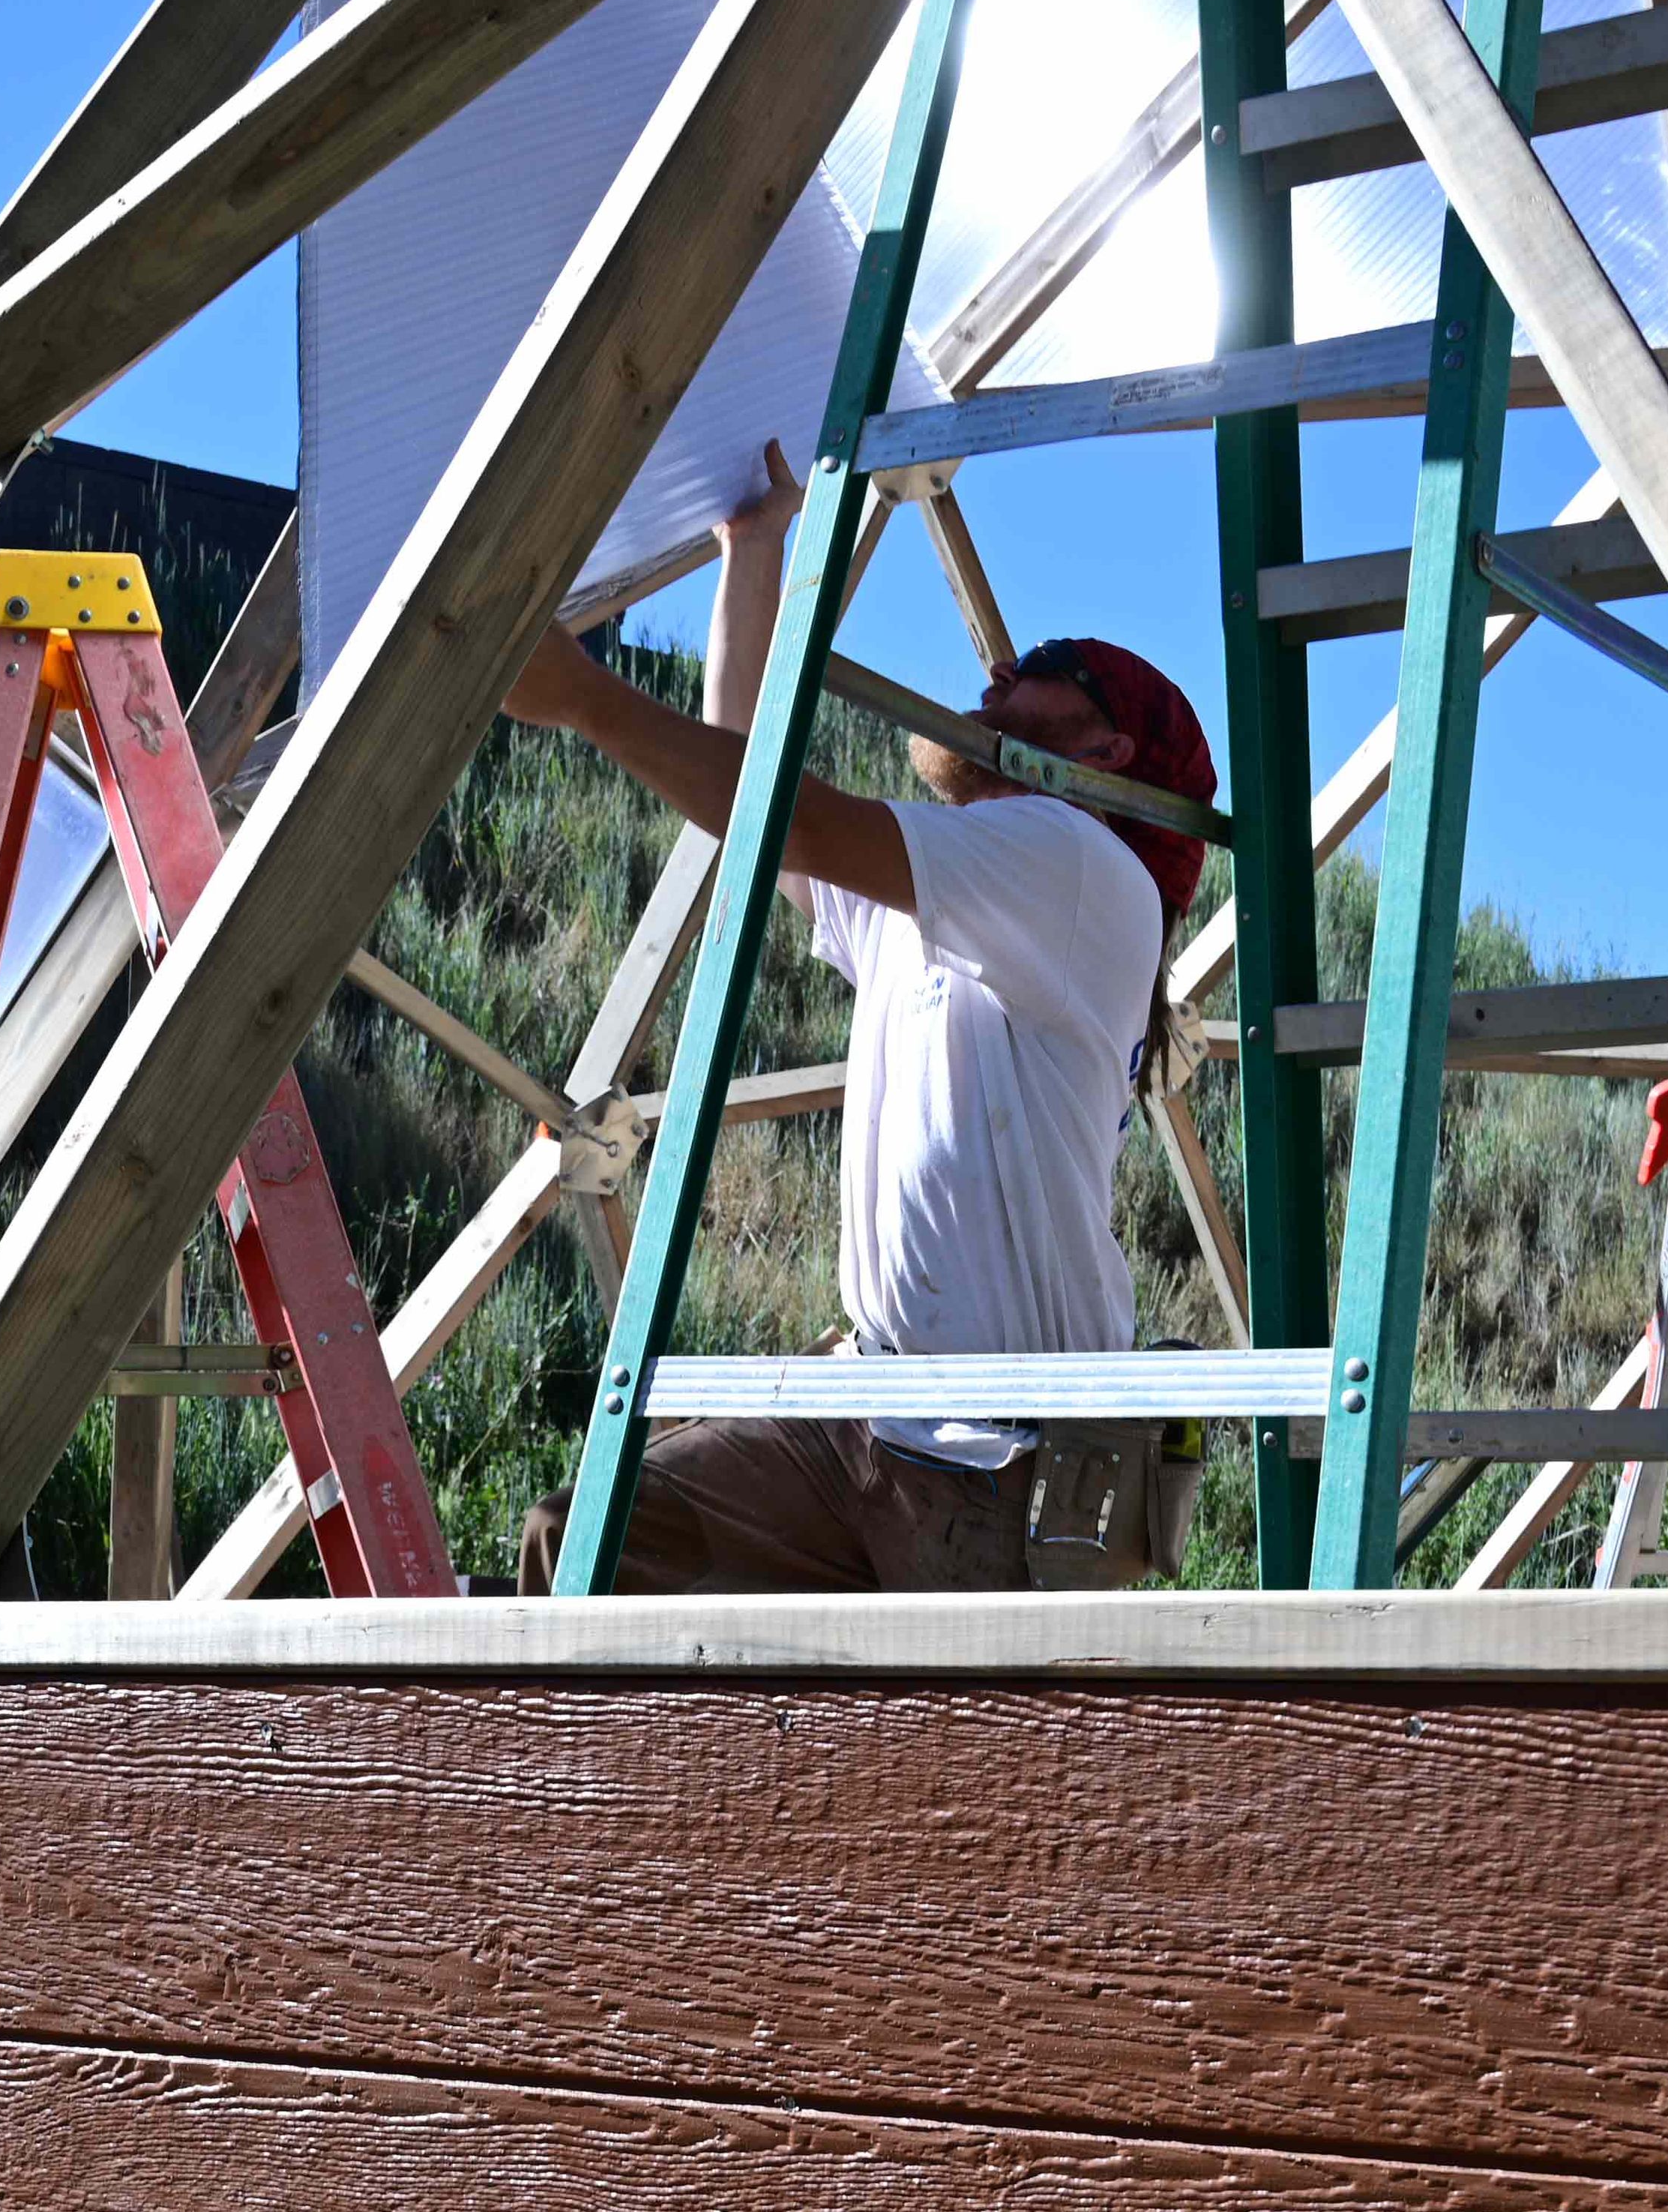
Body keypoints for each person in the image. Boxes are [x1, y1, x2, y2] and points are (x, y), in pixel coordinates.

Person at [498, 445, 1212, 1593]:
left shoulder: (1081, 866)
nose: (994, 680)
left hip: (1003, 1464)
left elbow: (798, 817)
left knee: (954, 1765)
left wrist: (586, 700)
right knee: (587, 1548)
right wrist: (756, 550)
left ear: (1108, 751)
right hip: (873, 1420)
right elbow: (762, 814)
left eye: (1042, 671)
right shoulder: (957, 891)